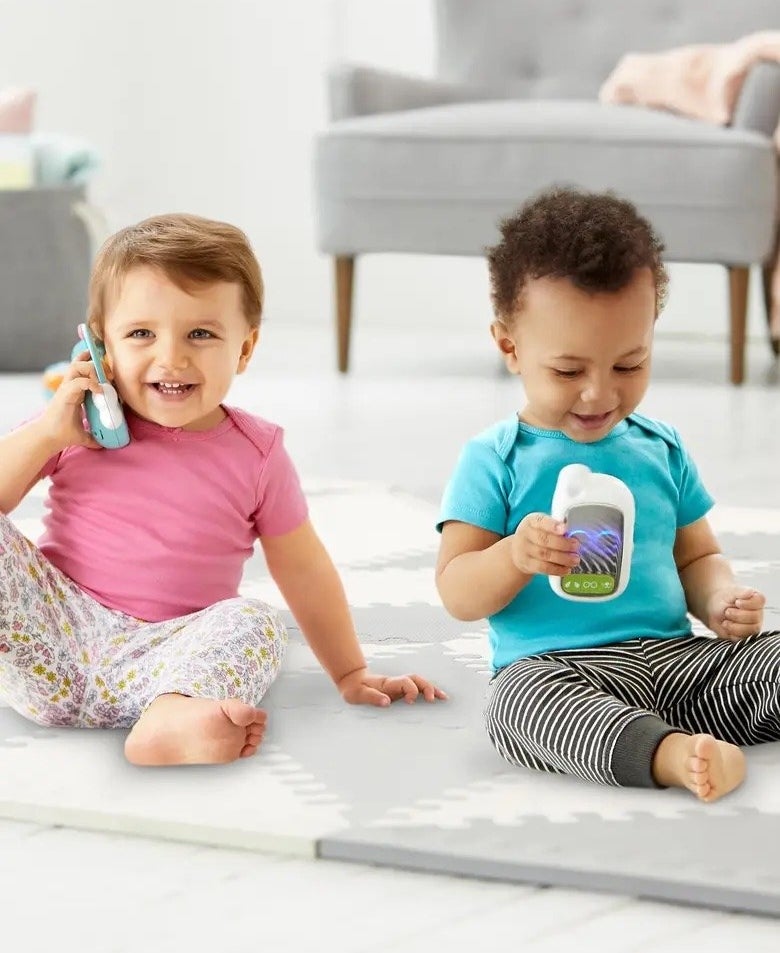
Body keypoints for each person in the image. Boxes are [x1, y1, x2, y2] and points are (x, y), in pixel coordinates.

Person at [0, 213, 446, 767]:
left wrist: (350, 672)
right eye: (142, 333)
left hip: (167, 662)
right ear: (100, 348)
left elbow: (303, 569)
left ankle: (172, 721)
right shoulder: (72, 422)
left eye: (201, 334)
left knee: (253, 621)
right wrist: (47, 433)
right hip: (49, 640)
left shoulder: (257, 455)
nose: (172, 357)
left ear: (244, 349)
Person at [435, 186, 778, 803]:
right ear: (510, 346)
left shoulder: (659, 446)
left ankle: (679, 729)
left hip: (679, 664)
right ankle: (670, 754)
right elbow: (457, 590)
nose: (599, 394)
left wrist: (720, 599)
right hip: (559, 669)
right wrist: (515, 556)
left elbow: (696, 555)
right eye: (569, 371)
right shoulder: (495, 458)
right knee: (515, 707)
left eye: (629, 365)